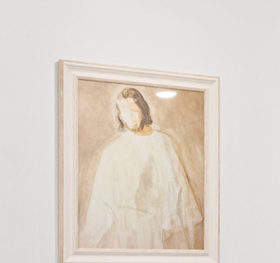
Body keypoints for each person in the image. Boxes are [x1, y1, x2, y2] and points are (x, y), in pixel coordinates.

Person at [81, 86, 202, 250]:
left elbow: (178, 185)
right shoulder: (114, 150)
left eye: (132, 110)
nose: (128, 117)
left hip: (160, 226)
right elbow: (101, 196)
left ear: (142, 110)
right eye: (123, 112)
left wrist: (172, 219)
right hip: (127, 230)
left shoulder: (163, 143)